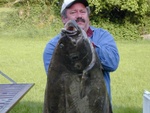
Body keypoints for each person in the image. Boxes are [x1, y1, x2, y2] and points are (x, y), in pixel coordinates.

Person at [43, 0, 120, 101]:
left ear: (88, 15)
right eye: (73, 12)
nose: (79, 15)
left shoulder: (102, 36)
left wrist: (86, 44)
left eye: (82, 11)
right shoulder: (53, 47)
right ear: (64, 18)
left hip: (100, 106)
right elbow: (58, 83)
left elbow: (112, 63)